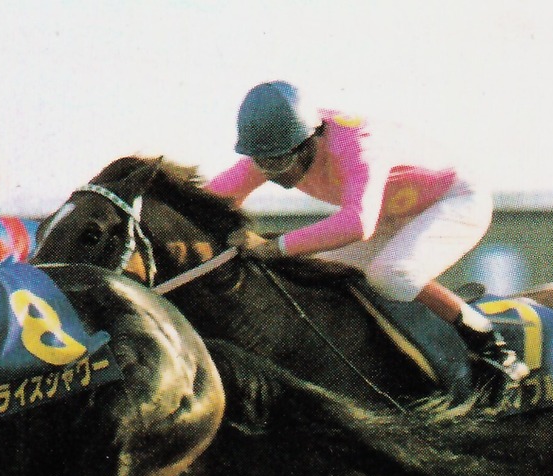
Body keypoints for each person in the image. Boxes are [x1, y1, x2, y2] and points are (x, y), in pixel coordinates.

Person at [210, 80, 528, 383]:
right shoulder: (283, 142)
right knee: (318, 273)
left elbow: (357, 224)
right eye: (262, 163)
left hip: (455, 200)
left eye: (279, 162)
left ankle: (495, 346)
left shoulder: (356, 146)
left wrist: (275, 246)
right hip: (391, 214)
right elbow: (209, 199)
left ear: (308, 142)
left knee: (391, 274)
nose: (273, 173)